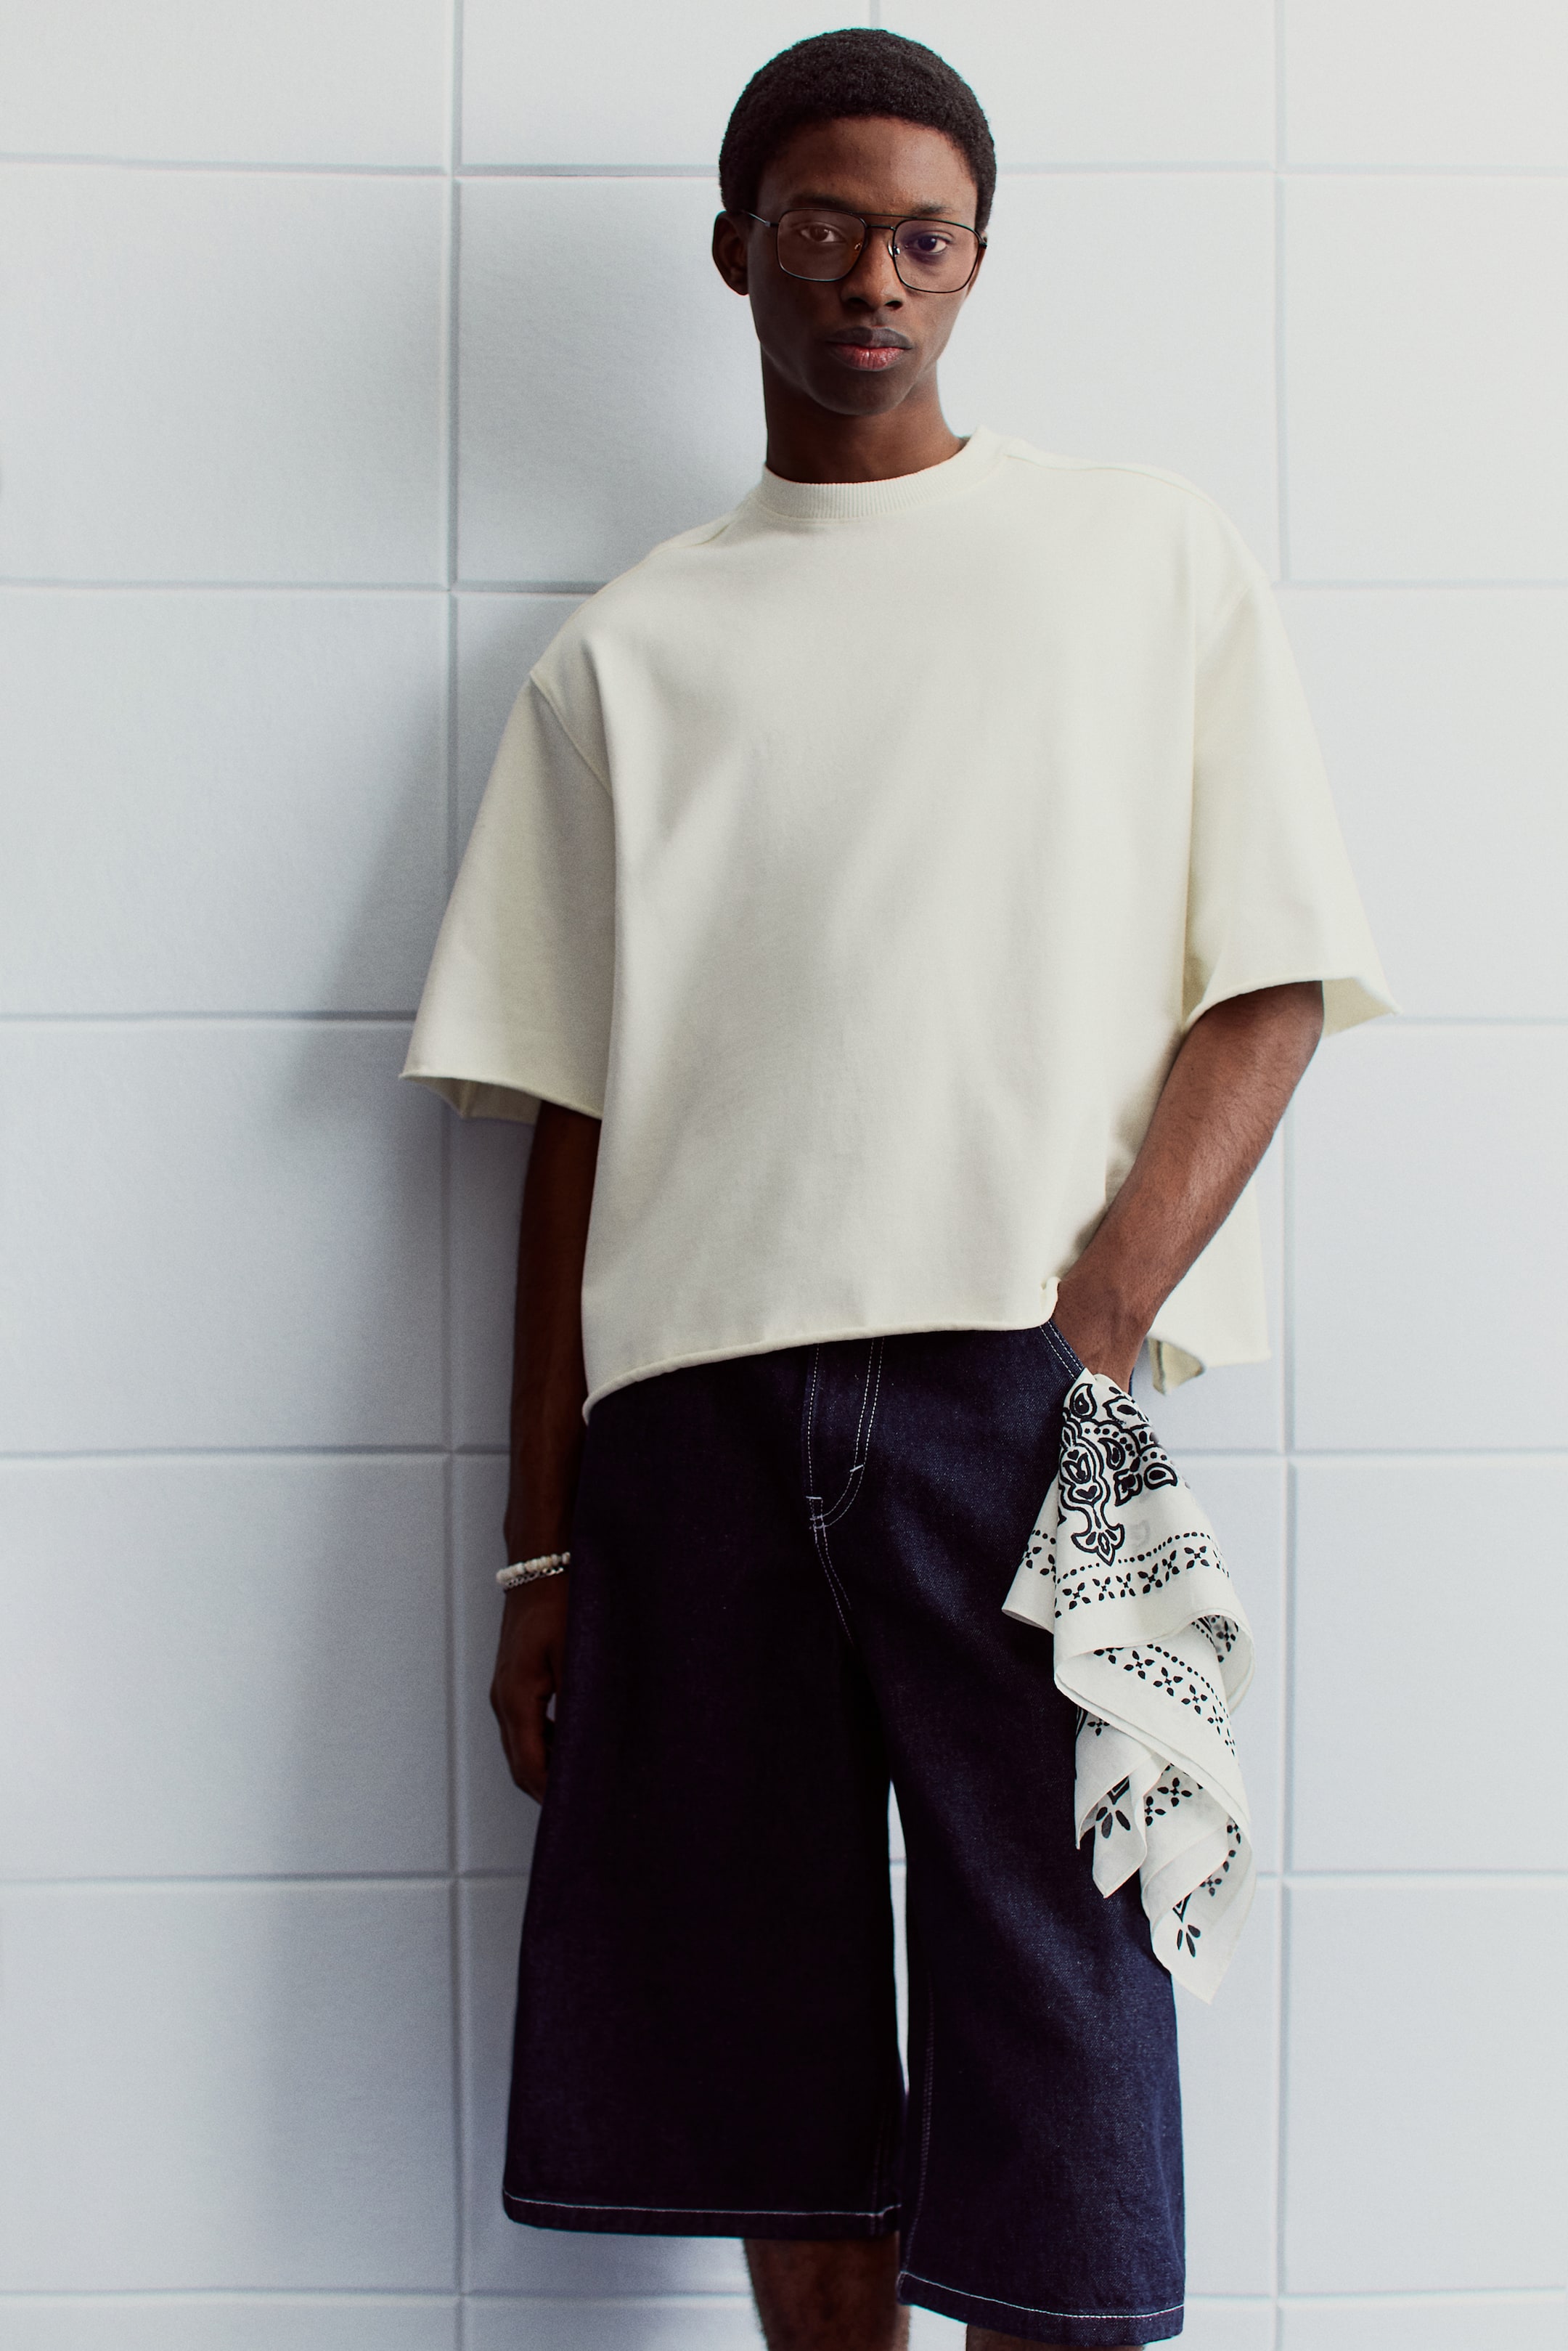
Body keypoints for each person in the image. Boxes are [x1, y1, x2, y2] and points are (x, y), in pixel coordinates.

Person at [403, 29, 1390, 2349]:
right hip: (695, 1430)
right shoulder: (627, 655)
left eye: (922, 238)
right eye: (825, 230)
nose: (873, 280)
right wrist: (541, 1550)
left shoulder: (1142, 557)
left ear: (975, 262)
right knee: (763, 2044)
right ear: (737, 250)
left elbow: (1274, 981)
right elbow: (573, 1121)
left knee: (1063, 1994)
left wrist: (1098, 1317)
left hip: (1010, 1394)